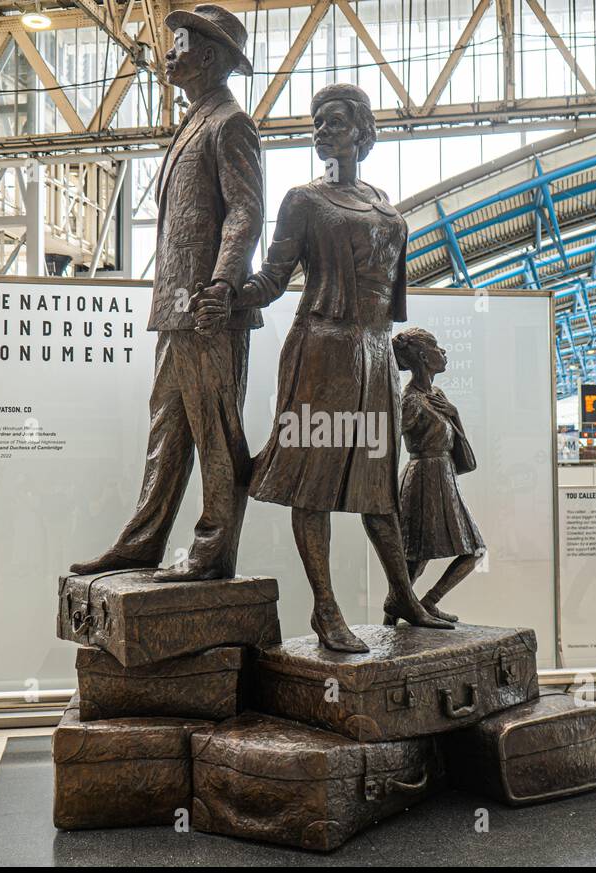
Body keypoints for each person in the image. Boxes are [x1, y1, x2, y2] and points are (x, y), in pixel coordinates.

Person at [200, 83, 452, 652]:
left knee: (377, 488)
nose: (323, 129)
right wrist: (227, 293)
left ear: (362, 132)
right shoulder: (303, 201)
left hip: (373, 356)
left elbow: (389, 293)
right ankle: (326, 607)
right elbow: (273, 277)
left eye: (335, 120)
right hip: (320, 352)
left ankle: (406, 600)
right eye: (317, 121)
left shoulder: (382, 200)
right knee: (313, 484)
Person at [70, 5, 263, 582]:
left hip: (206, 308)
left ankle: (212, 551)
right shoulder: (195, 121)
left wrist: (225, 283)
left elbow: (247, 213)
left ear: (209, 55)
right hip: (178, 308)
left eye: (178, 43)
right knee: (168, 427)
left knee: (215, 432)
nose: (168, 52)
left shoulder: (229, 122)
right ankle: (143, 541)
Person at [389, 327, 484, 623]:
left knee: (470, 550)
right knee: (417, 556)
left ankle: (421, 603)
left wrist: (455, 415)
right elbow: (388, 441)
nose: (443, 352)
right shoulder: (411, 401)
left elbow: (458, 447)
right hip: (423, 479)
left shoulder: (437, 395)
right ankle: (399, 609)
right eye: (437, 347)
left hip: (444, 477)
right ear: (422, 356)